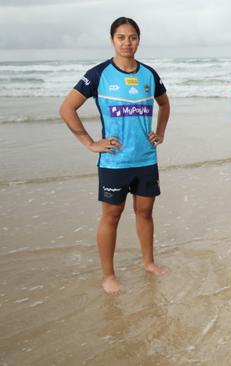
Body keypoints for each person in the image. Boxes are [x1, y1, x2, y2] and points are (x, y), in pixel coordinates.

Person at [59, 17, 170, 295]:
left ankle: (148, 263)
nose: (127, 43)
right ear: (112, 40)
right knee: (112, 216)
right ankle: (108, 275)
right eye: (121, 37)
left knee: (145, 213)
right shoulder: (98, 74)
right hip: (114, 161)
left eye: (132, 37)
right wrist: (89, 142)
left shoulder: (148, 74)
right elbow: (67, 108)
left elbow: (165, 103)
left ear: (138, 40)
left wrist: (160, 132)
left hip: (145, 158)